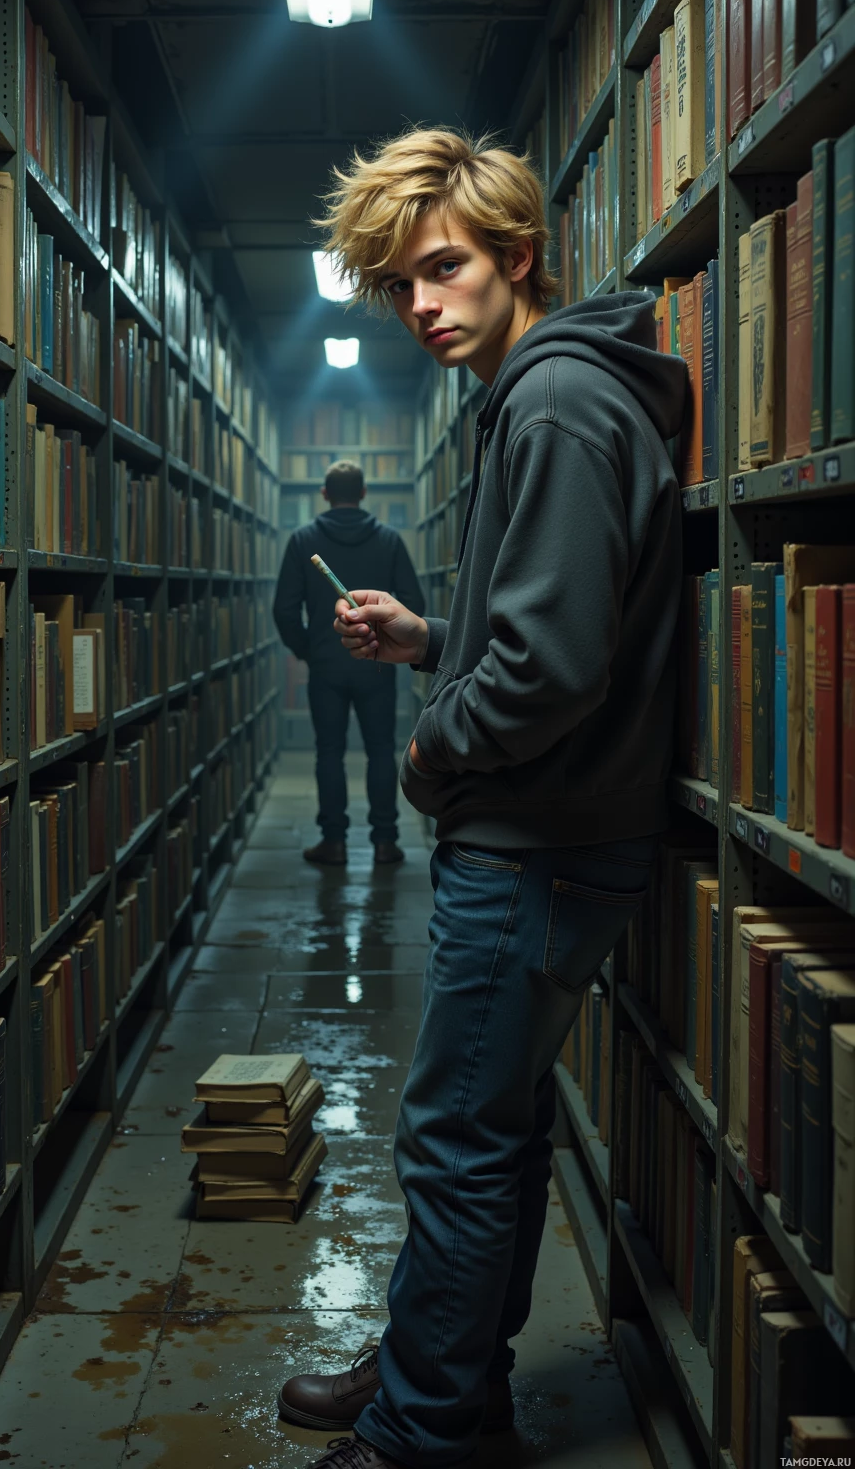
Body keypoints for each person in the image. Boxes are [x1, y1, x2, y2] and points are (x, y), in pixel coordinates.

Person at [276, 129, 688, 1466]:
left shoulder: (552, 402)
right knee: (488, 1131)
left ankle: (428, 1428)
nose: (422, 303)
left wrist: (431, 754)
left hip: (531, 842)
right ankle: (433, 1364)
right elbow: (555, 630)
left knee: (455, 1135)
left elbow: (553, 669)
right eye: (400, 284)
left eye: (443, 268)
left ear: (516, 255)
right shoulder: (546, 393)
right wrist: (432, 640)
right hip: (556, 831)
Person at [273, 457, 425, 866]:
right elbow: (414, 603)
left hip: (326, 666)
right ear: (363, 493)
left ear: (324, 494)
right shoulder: (390, 540)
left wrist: (310, 651)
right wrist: (385, 641)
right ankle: (385, 842)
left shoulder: (303, 540)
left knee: (328, 753)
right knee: (381, 751)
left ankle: (334, 842)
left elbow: (284, 610)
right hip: (378, 662)